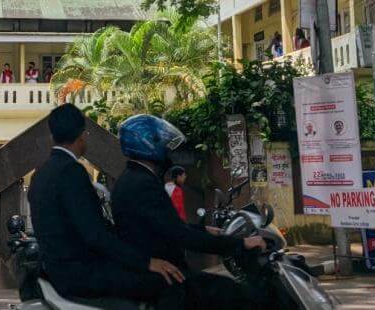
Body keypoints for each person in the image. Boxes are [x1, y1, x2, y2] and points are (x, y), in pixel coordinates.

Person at [28, 104, 184, 303]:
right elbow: (95, 235)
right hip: (81, 275)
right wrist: (146, 262)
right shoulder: (71, 171)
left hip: (57, 272)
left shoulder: (40, 174)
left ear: (52, 136)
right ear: (81, 135)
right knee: (166, 282)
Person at [111, 114, 266, 308]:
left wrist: (206, 230)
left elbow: (166, 225)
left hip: (156, 273)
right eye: (163, 143)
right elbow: (181, 236)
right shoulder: (143, 184)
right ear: (149, 144)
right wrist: (241, 243)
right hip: (162, 279)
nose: (169, 150)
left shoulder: (133, 178)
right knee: (234, 294)